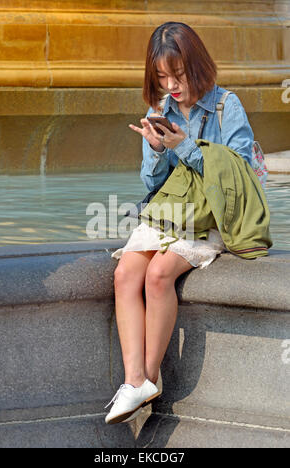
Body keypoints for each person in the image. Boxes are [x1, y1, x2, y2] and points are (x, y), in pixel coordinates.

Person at [105, 21, 254, 425]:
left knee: (158, 274)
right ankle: (135, 379)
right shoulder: (159, 111)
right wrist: (155, 149)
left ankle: (148, 378)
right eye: (161, 77)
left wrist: (184, 145)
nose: (171, 84)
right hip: (170, 213)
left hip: (210, 218)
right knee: (124, 274)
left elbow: (239, 173)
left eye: (178, 74)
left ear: (197, 65)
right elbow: (153, 184)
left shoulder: (227, 106)